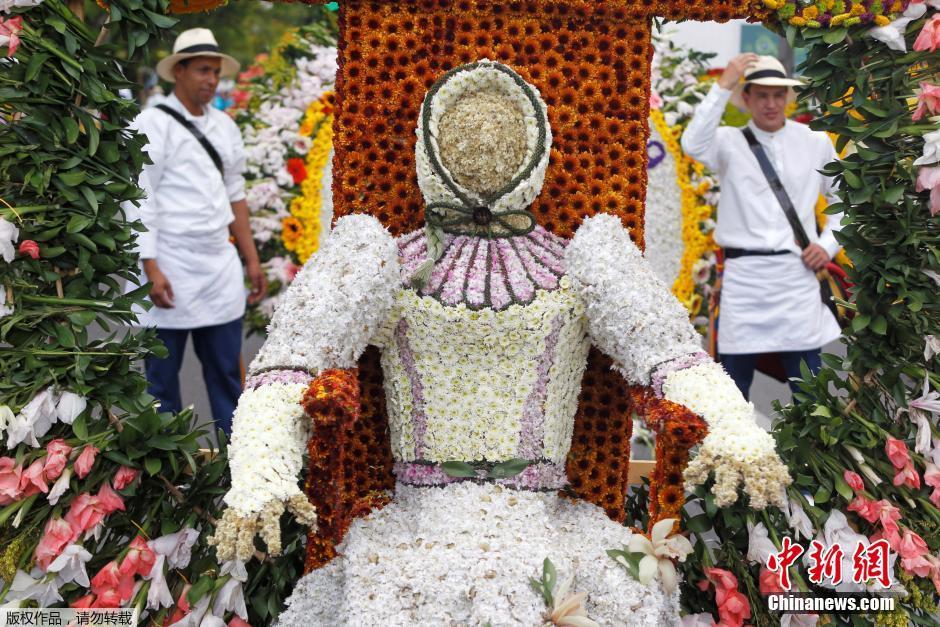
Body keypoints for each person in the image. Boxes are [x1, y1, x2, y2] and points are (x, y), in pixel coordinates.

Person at [208, 61, 791, 625]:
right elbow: (288, 367)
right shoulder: (382, 260)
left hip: (543, 513)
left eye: (503, 131)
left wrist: (736, 431)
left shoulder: (585, 262)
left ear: (534, 144)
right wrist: (263, 472)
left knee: (596, 590)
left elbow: (670, 357)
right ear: (432, 144)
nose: (485, 144)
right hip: (417, 517)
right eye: (464, 131)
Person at [127, 28, 266, 435]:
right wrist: (150, 267)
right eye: (203, 70)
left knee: (227, 375)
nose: (211, 80)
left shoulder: (225, 126)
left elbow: (235, 195)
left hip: (217, 268)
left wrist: (251, 259)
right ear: (179, 72)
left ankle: (235, 465)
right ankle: (164, 476)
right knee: (161, 383)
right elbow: (140, 196)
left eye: (216, 72)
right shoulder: (152, 123)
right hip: (168, 264)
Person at [681, 54, 843, 400]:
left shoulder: (816, 142)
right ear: (748, 98)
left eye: (778, 95)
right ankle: (731, 456)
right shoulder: (726, 141)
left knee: (810, 393)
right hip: (744, 281)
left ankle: (809, 455)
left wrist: (828, 245)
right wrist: (724, 83)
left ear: (787, 98)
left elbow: (850, 202)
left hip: (796, 277)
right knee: (732, 396)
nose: (771, 104)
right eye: (762, 95)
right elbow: (691, 144)